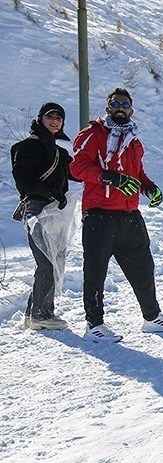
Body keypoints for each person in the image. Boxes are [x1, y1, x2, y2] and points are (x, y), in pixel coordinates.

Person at [70, 87, 163, 342]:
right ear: (108, 107)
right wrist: (110, 177)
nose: (120, 108)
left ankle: (152, 317)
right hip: (99, 214)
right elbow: (77, 167)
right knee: (96, 270)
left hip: (130, 214)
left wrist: (149, 187)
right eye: (115, 103)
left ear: (131, 110)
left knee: (143, 267)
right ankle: (94, 325)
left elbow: (137, 173)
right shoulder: (93, 134)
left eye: (125, 104)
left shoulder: (134, 140)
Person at [11, 102, 78, 330]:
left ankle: (33, 313)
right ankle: (42, 314)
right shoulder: (28, 146)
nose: (55, 121)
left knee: (53, 260)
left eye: (59, 118)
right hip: (37, 210)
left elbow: (78, 173)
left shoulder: (59, 152)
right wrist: (49, 193)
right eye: (50, 116)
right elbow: (23, 179)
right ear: (40, 119)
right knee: (47, 261)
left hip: (56, 212)